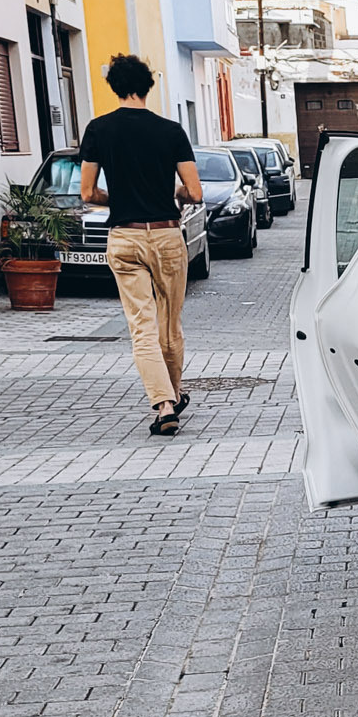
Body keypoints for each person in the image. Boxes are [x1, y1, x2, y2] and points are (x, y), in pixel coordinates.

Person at [79, 54, 202, 435]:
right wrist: (172, 194)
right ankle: (175, 394)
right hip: (166, 234)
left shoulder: (98, 129)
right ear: (148, 86)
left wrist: (122, 199)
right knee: (170, 326)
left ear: (114, 87)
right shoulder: (171, 131)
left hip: (125, 237)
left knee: (142, 328)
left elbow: (87, 193)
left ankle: (163, 403)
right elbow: (194, 192)